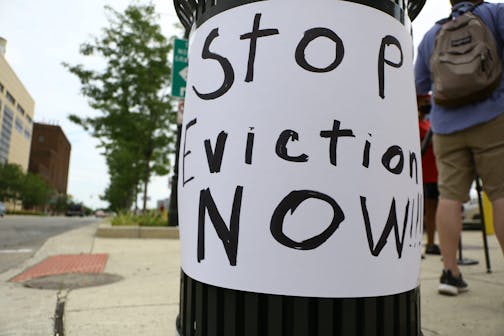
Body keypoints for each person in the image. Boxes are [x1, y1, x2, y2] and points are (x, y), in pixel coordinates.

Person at [415, 0, 504, 296]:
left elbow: (419, 83)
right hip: (493, 116)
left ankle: (450, 272)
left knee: (449, 196)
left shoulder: (432, 34)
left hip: (446, 126)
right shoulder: (496, 13)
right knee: (501, 192)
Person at [418, 94, 441, 256]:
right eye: (424, 101)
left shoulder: (428, 122)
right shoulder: (415, 124)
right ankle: (420, 244)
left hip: (435, 173)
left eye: (428, 101)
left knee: (433, 210)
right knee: (424, 211)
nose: (427, 104)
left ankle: (431, 243)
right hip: (423, 174)